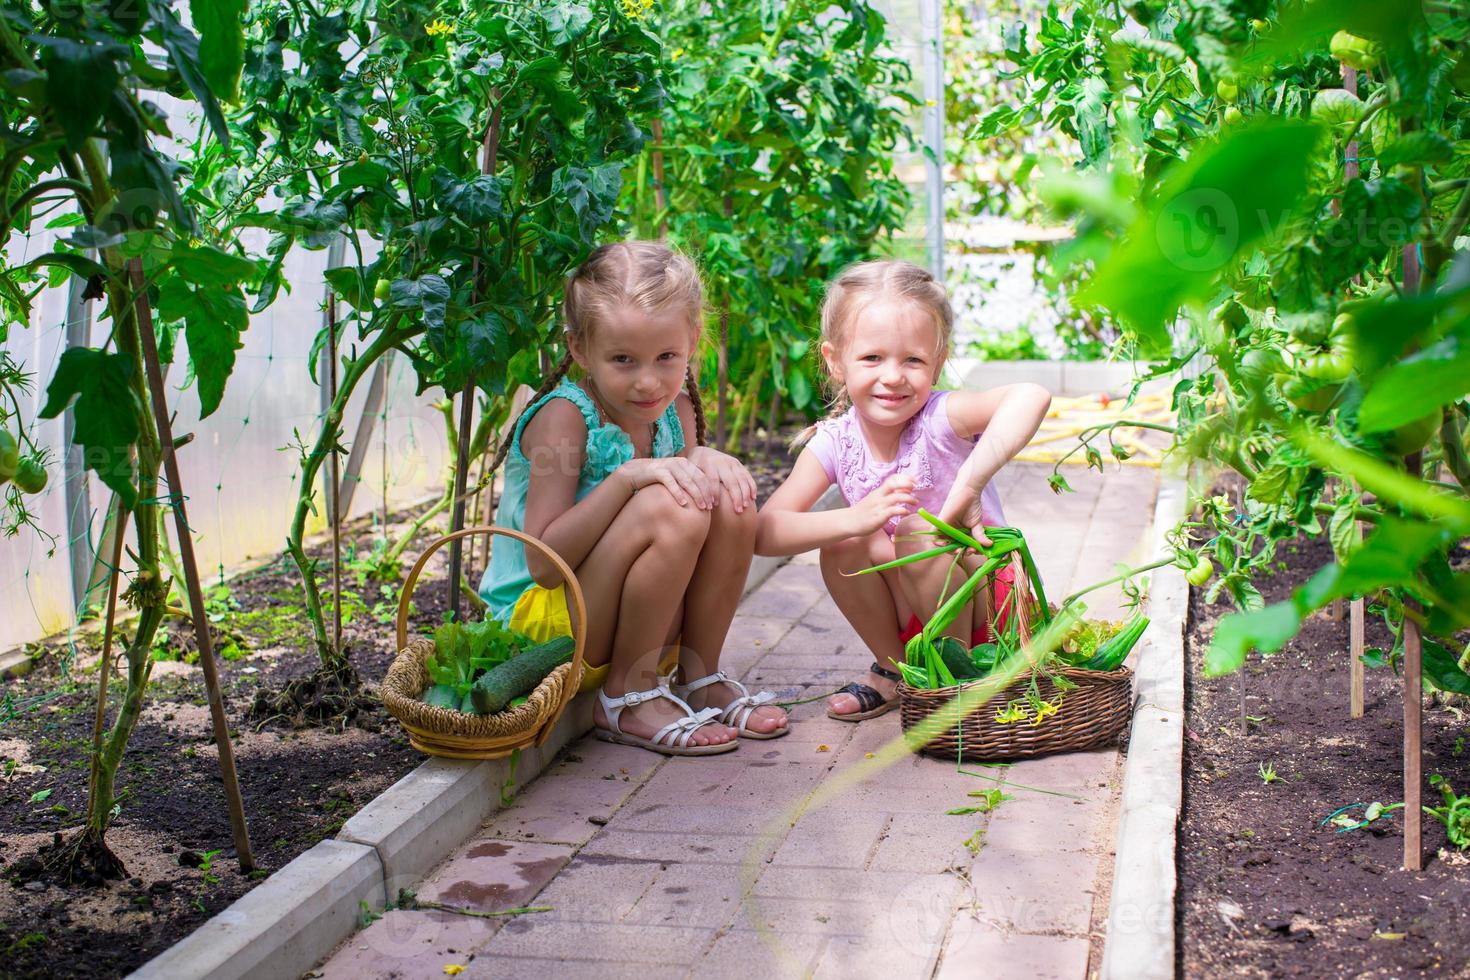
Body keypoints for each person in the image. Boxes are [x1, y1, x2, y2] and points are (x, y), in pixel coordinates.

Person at [478, 241, 789, 755]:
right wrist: (626, 479)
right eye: (623, 359)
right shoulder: (566, 417)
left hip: (615, 616)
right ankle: (627, 694)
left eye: (667, 357)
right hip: (544, 628)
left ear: (692, 340)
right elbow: (543, 564)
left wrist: (706, 460)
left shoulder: (677, 406)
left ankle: (698, 675)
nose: (648, 381)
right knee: (673, 504)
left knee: (726, 498)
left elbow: (697, 495)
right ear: (579, 349)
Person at [756, 259, 1051, 721]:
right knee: (845, 540)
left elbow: (1031, 395)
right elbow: (766, 532)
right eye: (872, 358)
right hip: (911, 613)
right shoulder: (837, 441)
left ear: (937, 361)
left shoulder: (940, 419)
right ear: (836, 361)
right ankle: (899, 673)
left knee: (915, 529)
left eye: (912, 359)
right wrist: (855, 518)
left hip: (988, 607)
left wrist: (972, 481)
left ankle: (955, 679)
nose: (893, 376)